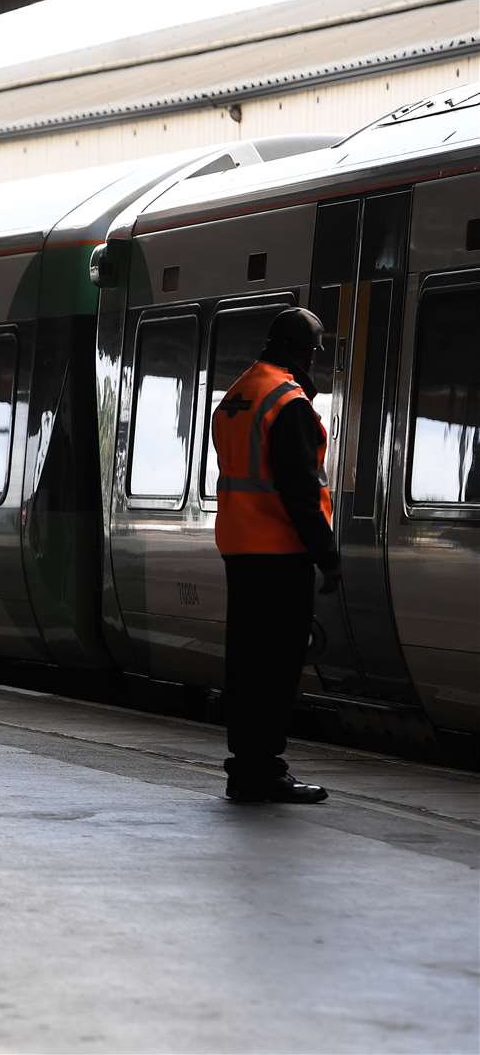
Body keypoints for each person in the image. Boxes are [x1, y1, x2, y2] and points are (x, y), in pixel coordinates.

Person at [211, 306, 337, 804]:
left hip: (240, 548)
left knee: (246, 664)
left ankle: (245, 766)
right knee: (277, 666)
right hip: (280, 553)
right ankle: (263, 770)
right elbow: (301, 490)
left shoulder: (239, 395)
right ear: (300, 351)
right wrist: (327, 555)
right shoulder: (288, 401)